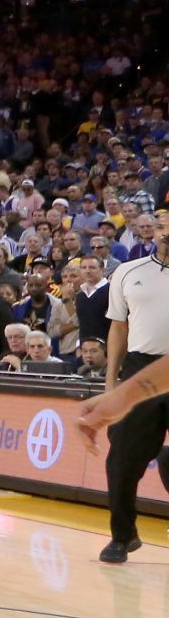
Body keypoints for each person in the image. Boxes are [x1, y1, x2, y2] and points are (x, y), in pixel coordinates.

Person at [95, 241, 169, 563]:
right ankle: (122, 536)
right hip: (140, 367)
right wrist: (111, 381)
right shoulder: (127, 271)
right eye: (161, 224)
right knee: (122, 459)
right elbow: (118, 327)